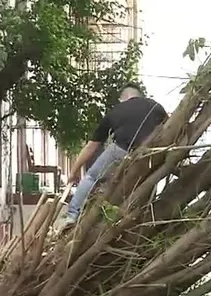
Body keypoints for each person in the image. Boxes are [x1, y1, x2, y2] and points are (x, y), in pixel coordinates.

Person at [62, 83, 168, 228]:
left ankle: (72, 216)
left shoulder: (116, 111)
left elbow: (92, 146)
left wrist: (74, 172)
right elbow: (168, 129)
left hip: (121, 151)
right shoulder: (156, 106)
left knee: (91, 177)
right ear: (140, 95)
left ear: (122, 98)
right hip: (150, 154)